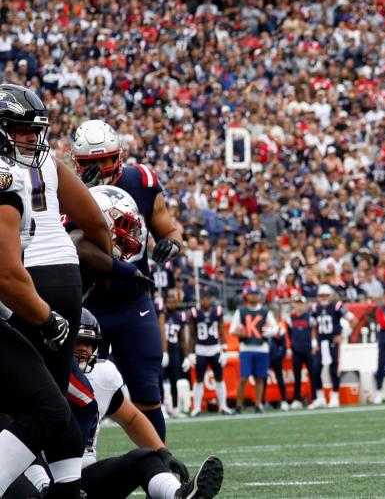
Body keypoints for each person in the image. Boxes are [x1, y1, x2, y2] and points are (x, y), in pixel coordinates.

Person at [74, 118, 185, 441]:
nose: (103, 166)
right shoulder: (67, 189)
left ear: (118, 155)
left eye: (107, 158)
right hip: (87, 306)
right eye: (92, 162)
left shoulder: (142, 180)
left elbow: (169, 229)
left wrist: (172, 244)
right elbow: (77, 247)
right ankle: (77, 471)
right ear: (79, 163)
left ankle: (160, 472)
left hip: (134, 302)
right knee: (81, 393)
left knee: (147, 391)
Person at [50, 308, 222, 499]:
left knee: (146, 457)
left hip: (84, 478)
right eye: (77, 341)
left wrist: (163, 452)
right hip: (43, 479)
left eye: (88, 343)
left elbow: (131, 418)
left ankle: (179, 495)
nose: (83, 349)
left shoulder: (102, 376)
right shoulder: (42, 375)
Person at [0, 125, 76, 497]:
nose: (32, 140)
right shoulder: (4, 179)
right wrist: (46, 318)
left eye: (35, 131)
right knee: (49, 408)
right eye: (22, 131)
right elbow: (7, 275)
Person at [229, 284, 277, 414]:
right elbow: (232, 330)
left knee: (260, 378)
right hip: (246, 348)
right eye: (251, 293)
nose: (254, 296)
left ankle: (258, 404)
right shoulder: (241, 311)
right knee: (243, 378)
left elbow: (275, 328)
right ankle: (239, 405)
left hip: (261, 347)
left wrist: (268, 332)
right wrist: (240, 333)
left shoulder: (265, 311)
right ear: (247, 295)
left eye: (256, 293)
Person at [309, 284, 356, 408]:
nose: (323, 297)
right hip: (320, 341)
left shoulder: (337, 306)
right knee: (315, 369)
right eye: (321, 295)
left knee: (333, 369)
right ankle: (320, 397)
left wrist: (343, 335)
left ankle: (335, 396)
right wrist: (314, 343)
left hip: (332, 341)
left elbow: (353, 320)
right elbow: (314, 327)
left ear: (330, 295)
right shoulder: (315, 308)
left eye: (325, 295)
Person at [188, 288, 232, 416]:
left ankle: (223, 406)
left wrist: (224, 350)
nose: (205, 301)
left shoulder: (217, 312)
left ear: (211, 299)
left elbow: (221, 331)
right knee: (199, 379)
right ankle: (196, 408)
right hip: (200, 350)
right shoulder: (195, 313)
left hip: (214, 349)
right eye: (203, 299)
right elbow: (191, 334)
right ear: (200, 300)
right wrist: (190, 353)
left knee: (219, 378)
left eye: (207, 298)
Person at [162, 290, 191, 417]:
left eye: (173, 302)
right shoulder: (161, 315)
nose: (171, 304)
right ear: (165, 303)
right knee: (160, 380)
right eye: (169, 301)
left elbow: (182, 339)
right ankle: (162, 406)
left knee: (174, 380)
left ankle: (175, 407)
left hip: (174, 351)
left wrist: (186, 356)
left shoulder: (180, 317)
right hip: (163, 351)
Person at [284, 296, 314, 409]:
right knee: (297, 376)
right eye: (297, 303)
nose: (299, 306)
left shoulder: (310, 317)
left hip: (308, 349)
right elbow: (288, 334)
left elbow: (313, 332)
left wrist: (314, 345)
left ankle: (314, 398)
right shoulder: (290, 319)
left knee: (312, 374)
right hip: (296, 350)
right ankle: (297, 399)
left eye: (301, 304)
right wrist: (289, 348)